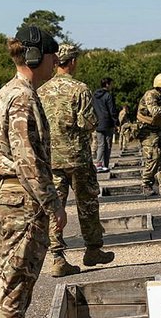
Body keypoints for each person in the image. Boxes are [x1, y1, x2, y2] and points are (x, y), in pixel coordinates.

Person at [0, 24, 65, 318]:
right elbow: (27, 159)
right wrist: (53, 204)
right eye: (52, 55)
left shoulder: (13, 91)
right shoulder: (21, 97)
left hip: (12, 197)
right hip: (21, 200)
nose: (56, 62)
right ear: (35, 58)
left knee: (16, 284)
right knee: (15, 286)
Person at [38, 44, 115, 277]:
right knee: (87, 204)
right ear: (72, 62)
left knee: (55, 208)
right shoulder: (80, 89)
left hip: (51, 159)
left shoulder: (41, 90)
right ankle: (93, 250)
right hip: (77, 158)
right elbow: (88, 123)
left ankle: (57, 258)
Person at [92, 77, 120, 172]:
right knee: (107, 145)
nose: (112, 86)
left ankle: (98, 164)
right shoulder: (108, 95)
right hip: (108, 122)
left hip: (98, 122)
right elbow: (112, 110)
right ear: (107, 84)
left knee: (101, 144)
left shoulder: (94, 96)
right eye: (111, 84)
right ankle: (104, 164)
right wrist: (116, 122)